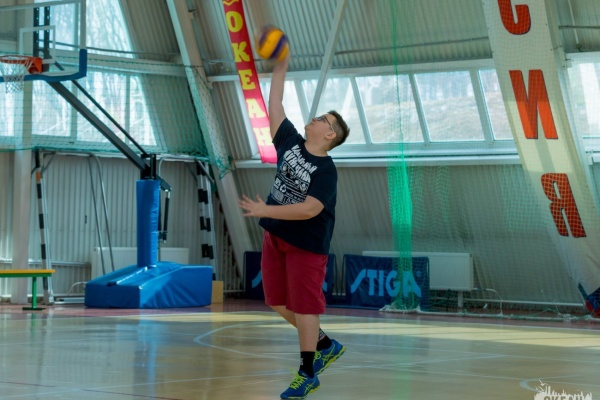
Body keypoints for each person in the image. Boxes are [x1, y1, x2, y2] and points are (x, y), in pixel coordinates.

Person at [237, 48, 350, 399]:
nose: (315, 119)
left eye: (322, 120)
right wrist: (281, 66)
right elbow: (274, 104)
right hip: (276, 236)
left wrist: (265, 210)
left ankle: (307, 372)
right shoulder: (290, 142)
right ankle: (326, 344)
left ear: (329, 135)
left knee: (305, 306)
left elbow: (309, 210)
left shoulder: (326, 171)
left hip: (307, 245)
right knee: (276, 301)